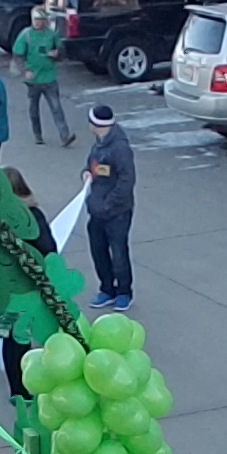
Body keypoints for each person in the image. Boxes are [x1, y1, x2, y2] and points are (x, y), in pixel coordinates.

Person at [0, 167, 56, 398]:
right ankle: (29, 382)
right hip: (28, 285)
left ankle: (17, 390)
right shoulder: (33, 215)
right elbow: (49, 249)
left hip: (3, 285)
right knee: (28, 334)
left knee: (11, 337)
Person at [83, 104, 138, 310]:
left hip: (116, 213)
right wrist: (87, 173)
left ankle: (124, 291)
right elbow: (93, 166)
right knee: (98, 250)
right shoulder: (99, 144)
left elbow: (127, 180)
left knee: (118, 253)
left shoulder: (120, 148)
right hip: (97, 210)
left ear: (95, 124)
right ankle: (107, 288)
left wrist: (108, 205)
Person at [12, 8, 68, 146]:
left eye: (39, 20)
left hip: (49, 77)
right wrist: (24, 71)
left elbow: (62, 52)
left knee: (56, 107)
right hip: (33, 79)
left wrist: (57, 53)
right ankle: (37, 134)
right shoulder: (26, 35)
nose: (37, 23)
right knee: (34, 108)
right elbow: (18, 55)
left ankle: (65, 135)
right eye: (35, 20)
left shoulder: (51, 35)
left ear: (44, 21)